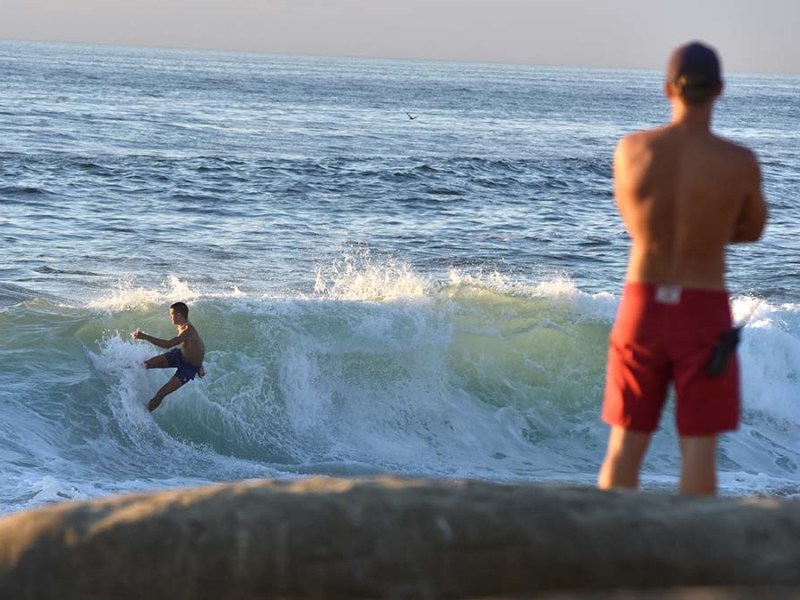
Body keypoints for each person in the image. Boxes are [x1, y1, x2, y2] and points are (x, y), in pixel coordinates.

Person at [597, 41, 768, 495]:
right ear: (720, 90)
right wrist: (710, 230)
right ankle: (694, 560)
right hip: (702, 306)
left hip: (643, 302)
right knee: (698, 447)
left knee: (626, 443)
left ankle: (606, 551)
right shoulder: (738, 162)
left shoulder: (632, 150)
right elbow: (752, 230)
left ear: (667, 88)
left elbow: (635, 222)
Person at [132, 302, 206, 412]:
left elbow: (167, 344)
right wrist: (201, 364)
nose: (170, 317)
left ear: (179, 315)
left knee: (161, 393)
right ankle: (121, 372)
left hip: (189, 368)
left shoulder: (188, 330)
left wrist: (144, 336)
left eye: (171, 314)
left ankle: (144, 413)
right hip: (180, 355)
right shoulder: (182, 326)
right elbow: (197, 347)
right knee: (147, 364)